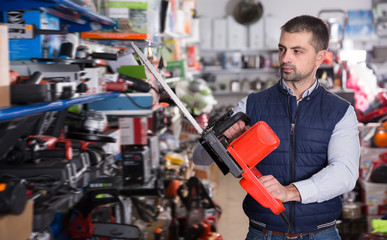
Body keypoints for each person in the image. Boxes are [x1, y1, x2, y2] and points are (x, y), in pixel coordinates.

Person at [192, 15, 360, 240]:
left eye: (297, 51)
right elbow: (199, 158)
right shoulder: (252, 104)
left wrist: (290, 192)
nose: (285, 58)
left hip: (321, 234)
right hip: (264, 234)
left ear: (320, 57)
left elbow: (345, 174)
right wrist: (220, 141)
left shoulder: (340, 111)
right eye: (282, 49)